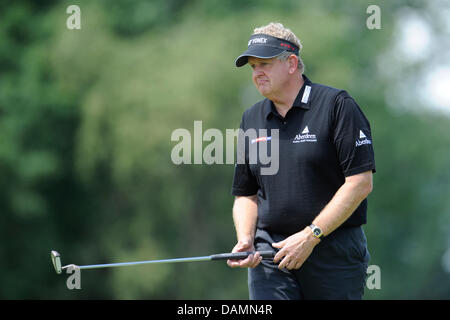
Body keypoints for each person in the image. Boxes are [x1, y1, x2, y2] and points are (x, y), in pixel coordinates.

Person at [227, 22, 376, 300]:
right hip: (270, 255)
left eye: (265, 64)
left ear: (292, 63)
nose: (257, 73)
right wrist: (246, 238)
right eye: (253, 67)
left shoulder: (337, 105)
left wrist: (311, 236)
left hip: (333, 254)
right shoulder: (252, 118)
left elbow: (360, 182)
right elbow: (246, 194)